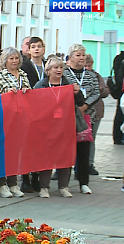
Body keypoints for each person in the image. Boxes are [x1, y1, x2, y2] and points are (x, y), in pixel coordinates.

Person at [34, 57, 84, 198]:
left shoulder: (68, 84)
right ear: (48, 70)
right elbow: (33, 104)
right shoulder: (41, 85)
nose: (59, 70)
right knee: (46, 157)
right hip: (47, 127)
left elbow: (80, 102)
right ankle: (44, 187)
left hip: (65, 127)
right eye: (55, 68)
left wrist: (77, 92)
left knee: (65, 155)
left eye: (61, 67)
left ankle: (64, 186)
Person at [0, 46, 29, 198]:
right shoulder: (0, 76)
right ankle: (2, 184)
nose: (14, 61)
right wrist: (6, 95)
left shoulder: (24, 75)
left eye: (16, 58)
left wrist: (27, 91)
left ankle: (13, 183)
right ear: (4, 61)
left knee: (15, 152)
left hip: (21, 119)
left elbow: (31, 94)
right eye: (11, 58)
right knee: (3, 152)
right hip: (5, 118)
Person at [63, 43, 100, 194]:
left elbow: (97, 93)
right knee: (65, 149)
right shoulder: (64, 74)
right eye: (78, 55)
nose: (81, 58)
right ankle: (63, 181)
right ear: (70, 57)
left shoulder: (91, 75)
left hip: (85, 116)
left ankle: (84, 182)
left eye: (83, 55)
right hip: (67, 117)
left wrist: (84, 105)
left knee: (84, 150)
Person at [19, 36, 47, 192]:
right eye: (33, 46)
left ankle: (37, 177)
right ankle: (25, 178)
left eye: (39, 46)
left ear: (44, 49)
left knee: (40, 147)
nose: (36, 49)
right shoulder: (24, 67)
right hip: (29, 111)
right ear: (28, 50)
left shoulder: (48, 66)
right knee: (27, 146)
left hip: (45, 112)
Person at [85, 54, 109, 176]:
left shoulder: (97, 75)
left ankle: (90, 164)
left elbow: (106, 91)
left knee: (91, 139)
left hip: (96, 112)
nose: (88, 68)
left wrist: (100, 89)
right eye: (86, 65)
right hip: (83, 111)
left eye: (90, 65)